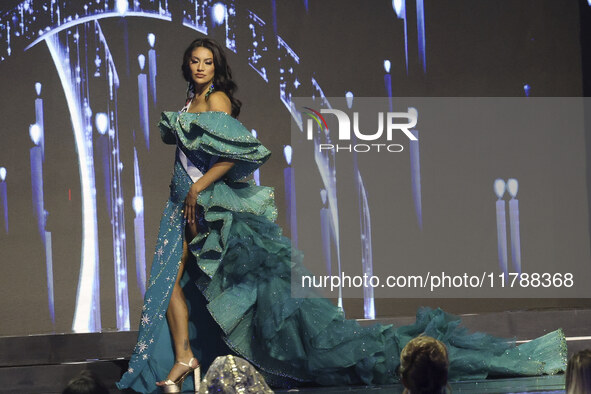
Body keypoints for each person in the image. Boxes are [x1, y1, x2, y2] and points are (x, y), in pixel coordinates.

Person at [116, 37, 568, 394]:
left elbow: (239, 155)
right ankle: (184, 356)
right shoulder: (187, 103)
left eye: (207, 62)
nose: (199, 67)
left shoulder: (216, 103)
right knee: (169, 284)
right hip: (181, 208)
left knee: (246, 300)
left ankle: (190, 357)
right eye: (194, 61)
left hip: (209, 210)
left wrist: (198, 186)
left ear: (217, 69)